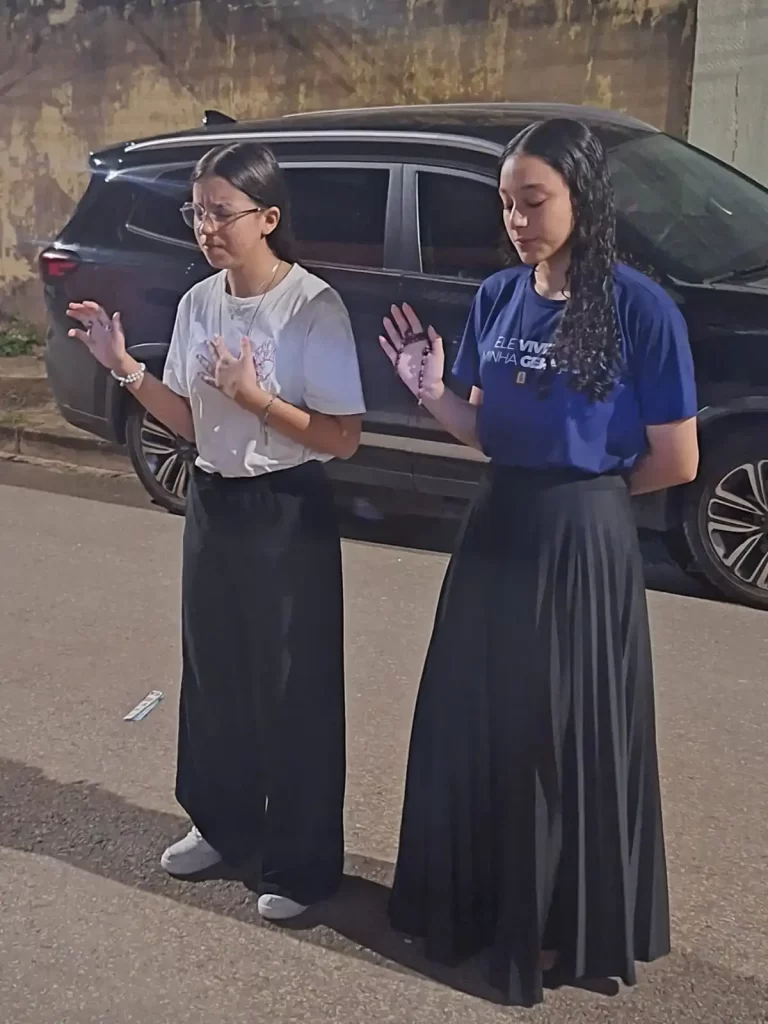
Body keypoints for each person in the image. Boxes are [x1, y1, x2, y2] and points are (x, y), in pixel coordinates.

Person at [379, 118, 698, 1006]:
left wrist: (588, 497)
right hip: (498, 526)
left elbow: (677, 460)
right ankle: (479, 904)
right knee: (476, 721)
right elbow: (489, 431)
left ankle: (559, 925)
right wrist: (430, 392)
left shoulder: (642, 308)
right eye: (506, 204)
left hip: (583, 538)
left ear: (580, 198)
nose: (517, 220)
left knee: (556, 737)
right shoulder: (497, 297)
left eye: (534, 201)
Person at [67, 142, 366, 921]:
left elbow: (341, 437)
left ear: (267, 218)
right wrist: (123, 366)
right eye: (196, 212)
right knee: (214, 673)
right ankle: (221, 823)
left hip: (286, 508)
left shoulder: (312, 306)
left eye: (221, 212)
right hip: (214, 502)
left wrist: (255, 397)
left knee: (292, 687)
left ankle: (300, 864)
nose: (206, 227)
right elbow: (192, 423)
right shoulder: (200, 302)